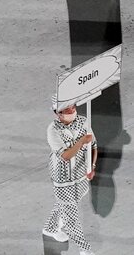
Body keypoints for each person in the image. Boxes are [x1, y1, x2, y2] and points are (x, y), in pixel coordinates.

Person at [42, 97, 97, 255]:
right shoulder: (52, 130)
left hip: (80, 174)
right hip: (63, 179)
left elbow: (93, 145)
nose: (71, 110)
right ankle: (85, 250)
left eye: (72, 107)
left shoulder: (83, 121)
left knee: (65, 205)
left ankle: (50, 228)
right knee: (71, 216)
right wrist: (81, 142)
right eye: (66, 109)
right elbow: (65, 156)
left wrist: (92, 166)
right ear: (57, 113)